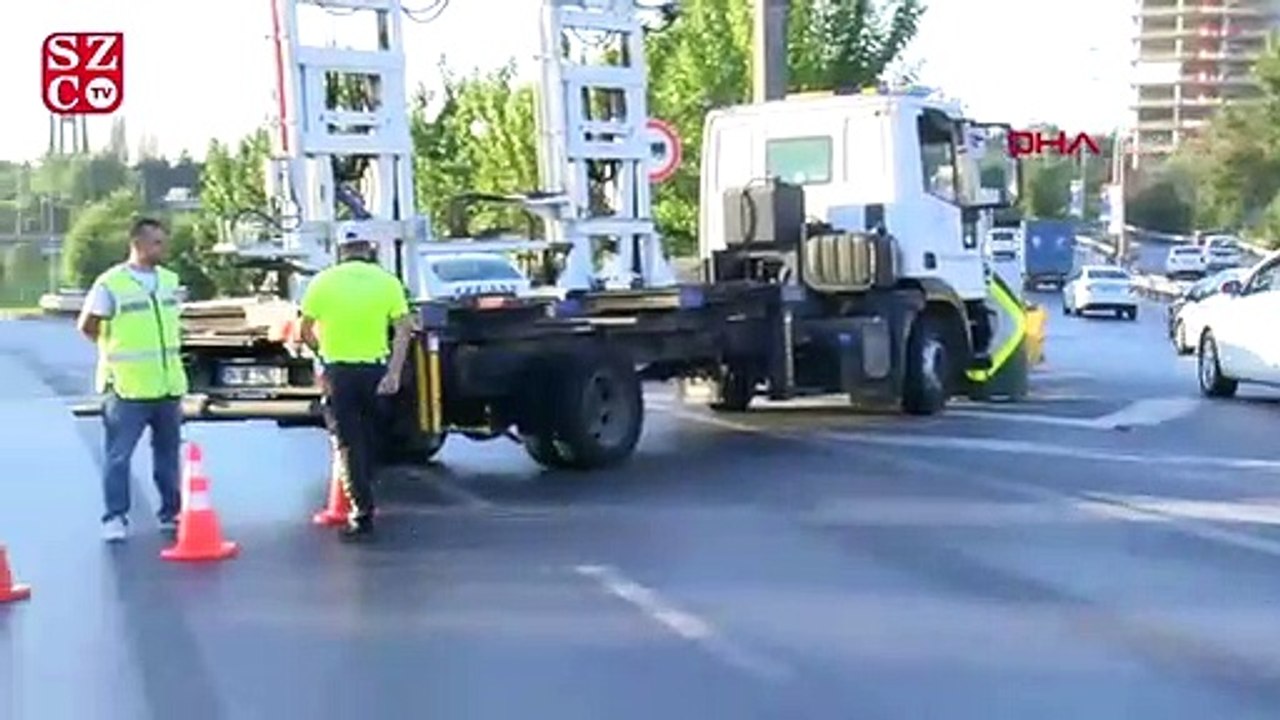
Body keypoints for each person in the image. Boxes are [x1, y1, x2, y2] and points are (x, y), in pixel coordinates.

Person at [77, 218, 188, 542]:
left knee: (167, 456)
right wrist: (111, 352)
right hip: (128, 387)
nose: (163, 248)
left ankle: (171, 512)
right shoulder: (111, 283)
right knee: (119, 456)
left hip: (167, 385)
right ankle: (115, 517)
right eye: (157, 243)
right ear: (138, 244)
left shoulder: (169, 280)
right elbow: (88, 325)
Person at [299, 232, 412, 540]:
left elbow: (305, 329)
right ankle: (368, 486)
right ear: (370, 249)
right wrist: (394, 372)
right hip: (374, 370)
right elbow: (404, 329)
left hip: (339, 372)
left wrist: (321, 355)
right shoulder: (387, 282)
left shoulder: (323, 282)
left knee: (348, 441)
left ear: (341, 251)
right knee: (372, 435)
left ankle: (362, 511)